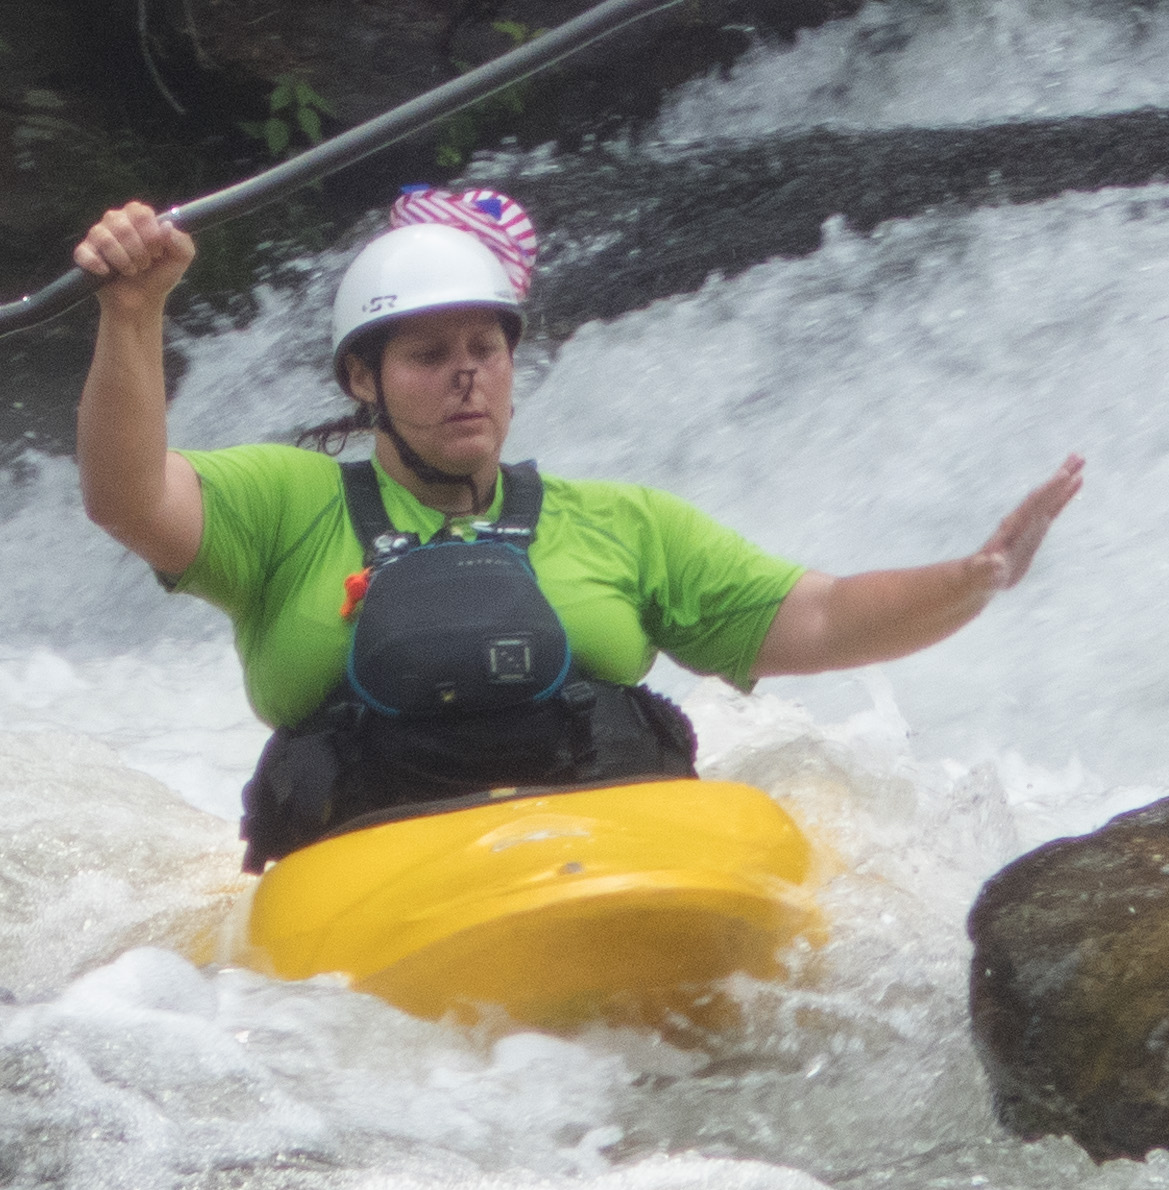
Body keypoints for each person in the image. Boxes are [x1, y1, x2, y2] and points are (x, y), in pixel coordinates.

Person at [72, 187, 1083, 867]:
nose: (466, 375)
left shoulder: (620, 524)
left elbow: (821, 616)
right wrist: (133, 313)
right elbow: (128, 497)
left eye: (485, 349)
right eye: (427, 356)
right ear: (362, 379)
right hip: (369, 890)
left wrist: (972, 578)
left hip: (598, 864)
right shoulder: (288, 504)